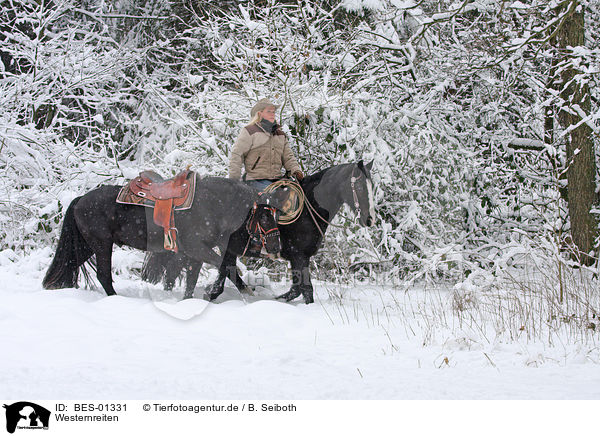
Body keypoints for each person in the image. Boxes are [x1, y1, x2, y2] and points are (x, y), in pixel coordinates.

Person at [228, 98, 303, 191]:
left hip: (277, 180)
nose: (272, 114)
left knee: (295, 194)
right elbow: (237, 155)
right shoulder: (249, 131)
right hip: (255, 180)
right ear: (259, 114)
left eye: (273, 111)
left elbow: (288, 157)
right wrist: (234, 181)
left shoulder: (280, 135)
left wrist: (295, 170)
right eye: (269, 111)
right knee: (273, 195)